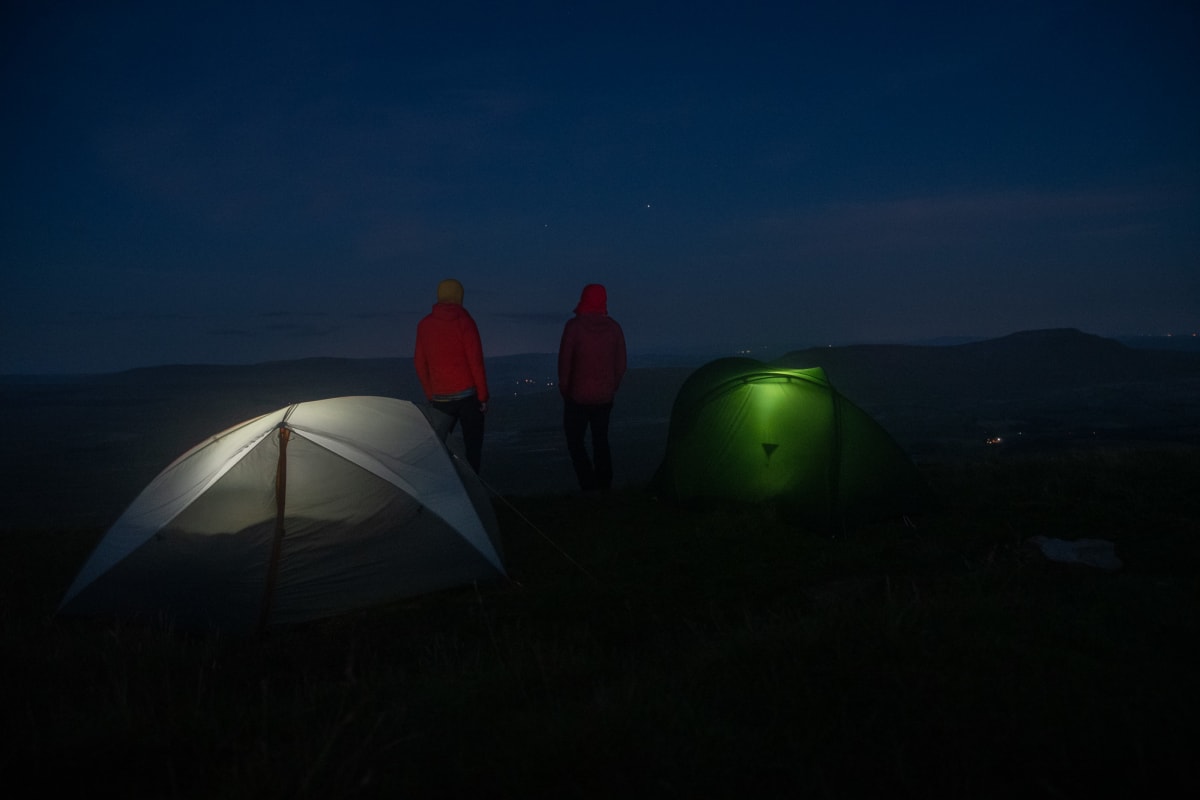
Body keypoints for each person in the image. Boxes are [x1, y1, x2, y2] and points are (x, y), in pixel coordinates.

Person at [557, 283, 627, 493]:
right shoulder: (614, 328)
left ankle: (588, 484)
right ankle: (604, 486)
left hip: (576, 396)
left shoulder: (574, 327)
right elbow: (621, 364)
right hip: (604, 397)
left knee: (575, 441)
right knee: (601, 441)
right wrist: (612, 386)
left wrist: (566, 389)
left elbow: (564, 362)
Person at [414, 278, 489, 473]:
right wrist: (482, 396)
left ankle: (446, 492)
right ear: (459, 297)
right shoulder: (466, 322)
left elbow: (420, 364)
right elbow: (476, 362)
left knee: (441, 450)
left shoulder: (424, 325)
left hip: (440, 400)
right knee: (473, 448)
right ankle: (473, 492)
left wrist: (431, 395)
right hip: (468, 398)